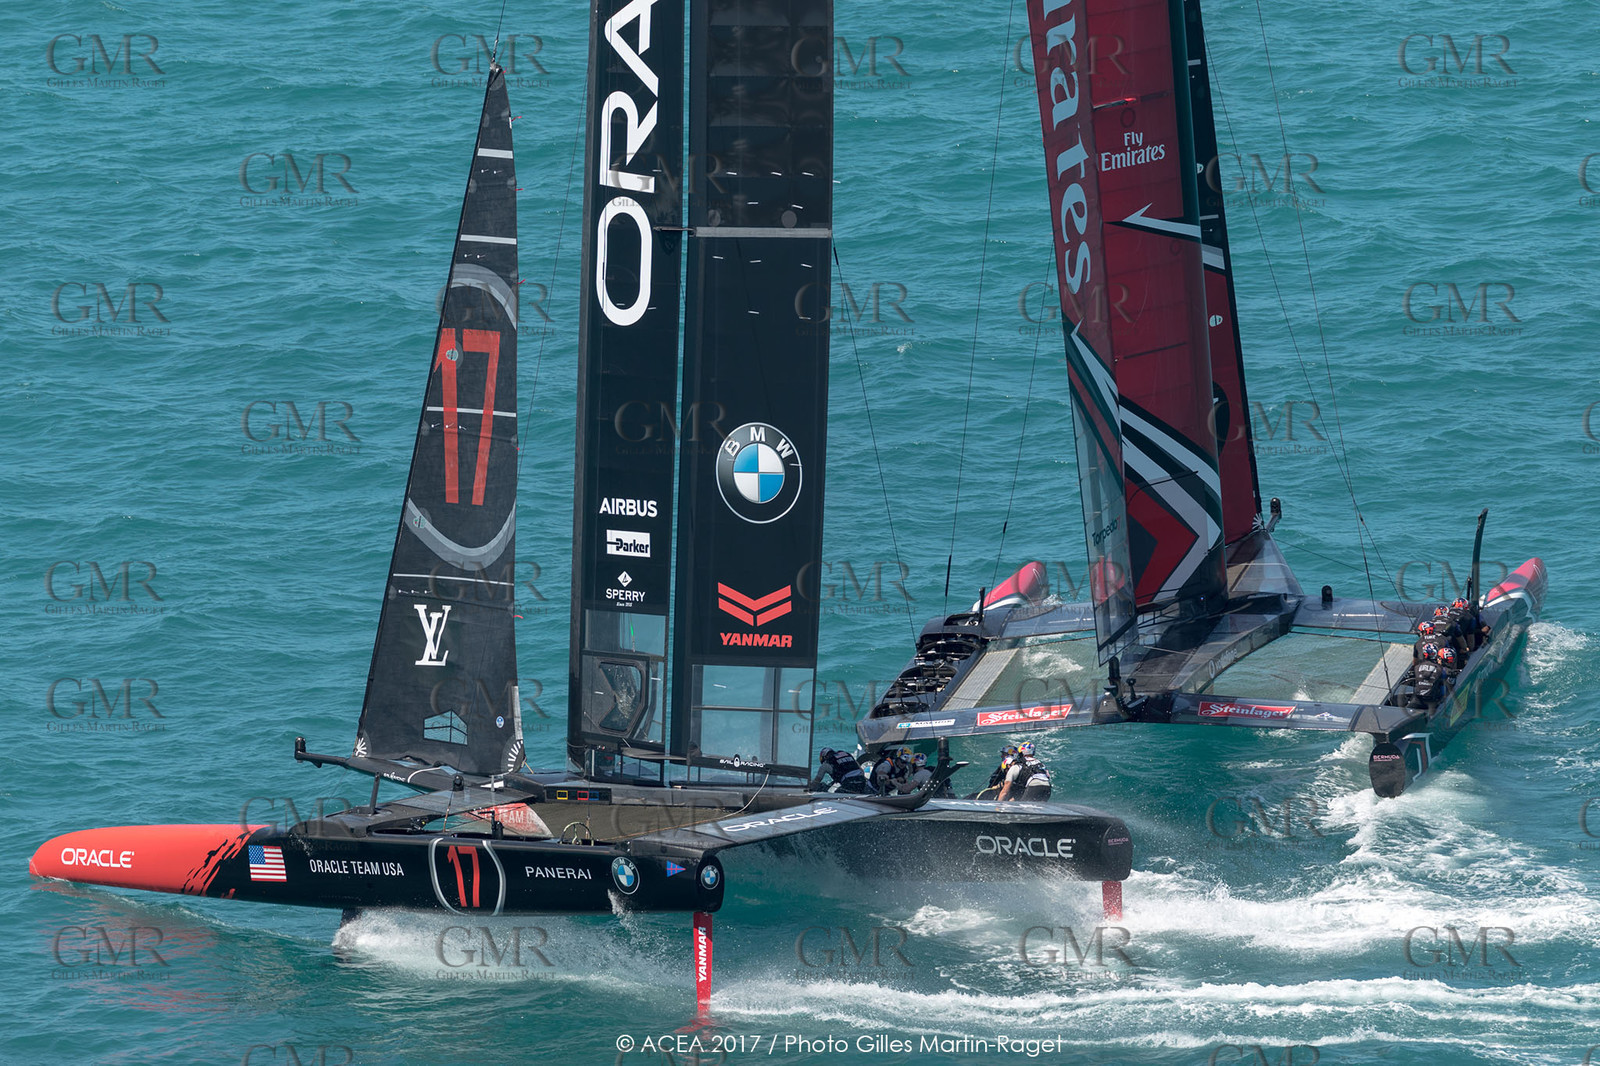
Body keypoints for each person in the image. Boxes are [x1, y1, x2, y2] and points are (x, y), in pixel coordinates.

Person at [1410, 644, 1446, 710]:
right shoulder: (1440, 669)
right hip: (1431, 701)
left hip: (1418, 699)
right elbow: (1442, 687)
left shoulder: (1417, 667)